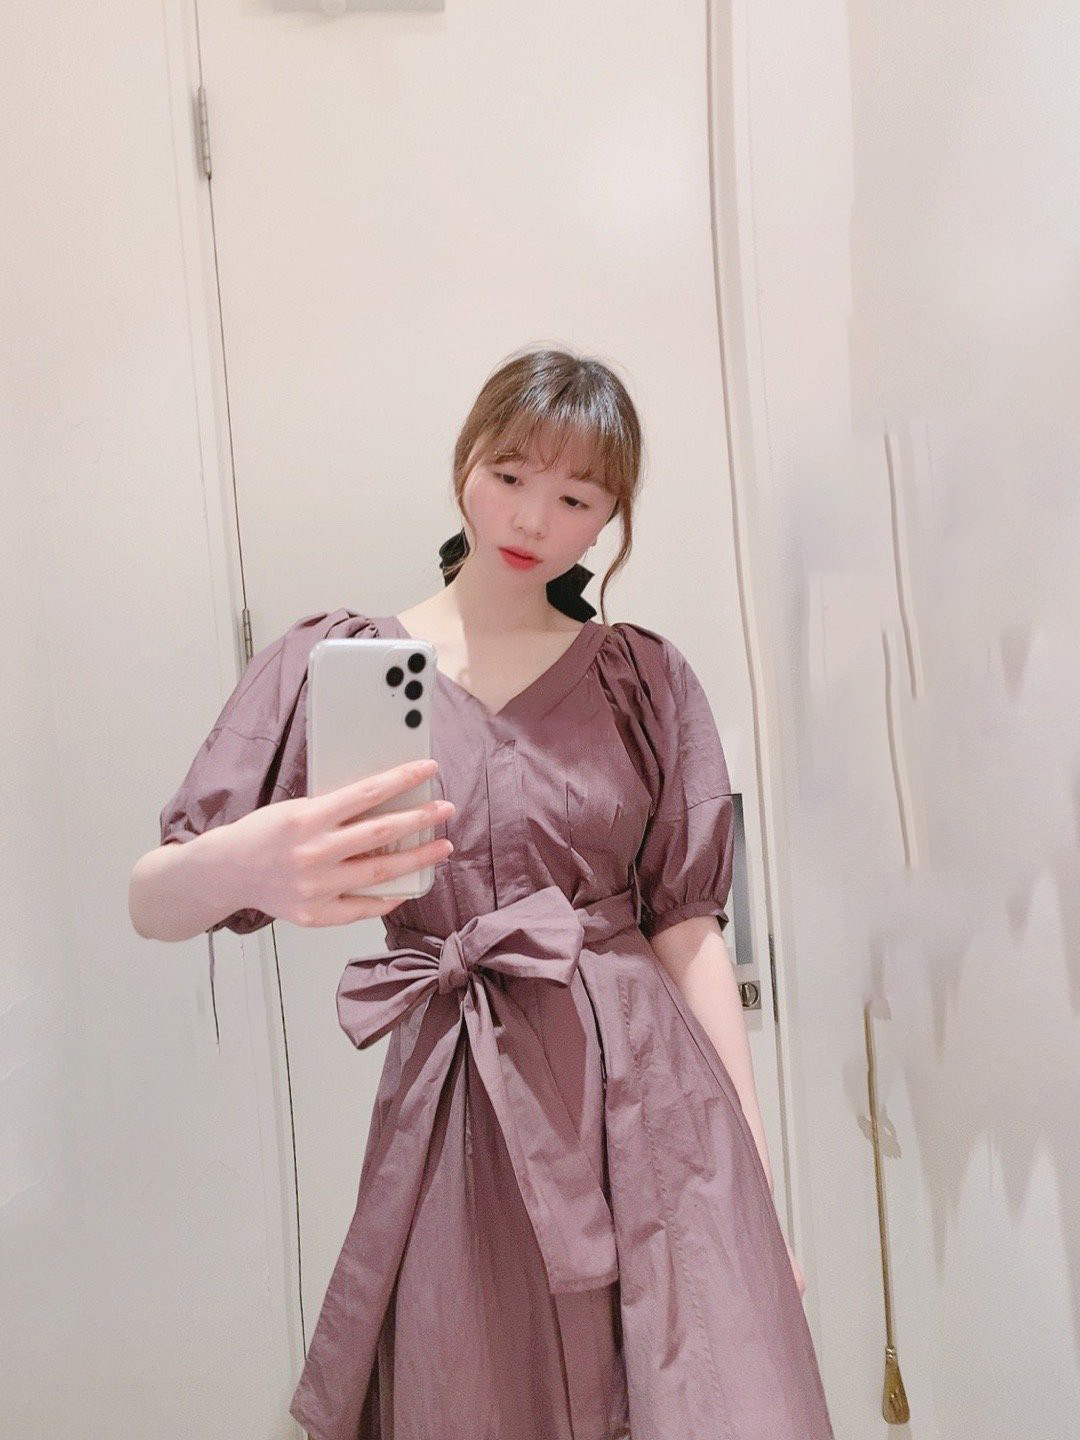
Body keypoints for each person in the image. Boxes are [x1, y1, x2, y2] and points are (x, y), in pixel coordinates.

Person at [129, 347, 834, 1440]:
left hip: (647, 1098)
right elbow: (154, 901)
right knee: (475, 1389)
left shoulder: (640, 678)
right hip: (465, 1103)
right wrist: (253, 861)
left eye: (577, 498)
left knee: (701, 1398)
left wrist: (755, 1181)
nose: (533, 518)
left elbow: (688, 929)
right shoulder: (345, 663)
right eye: (510, 475)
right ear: (466, 461)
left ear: (609, 520)